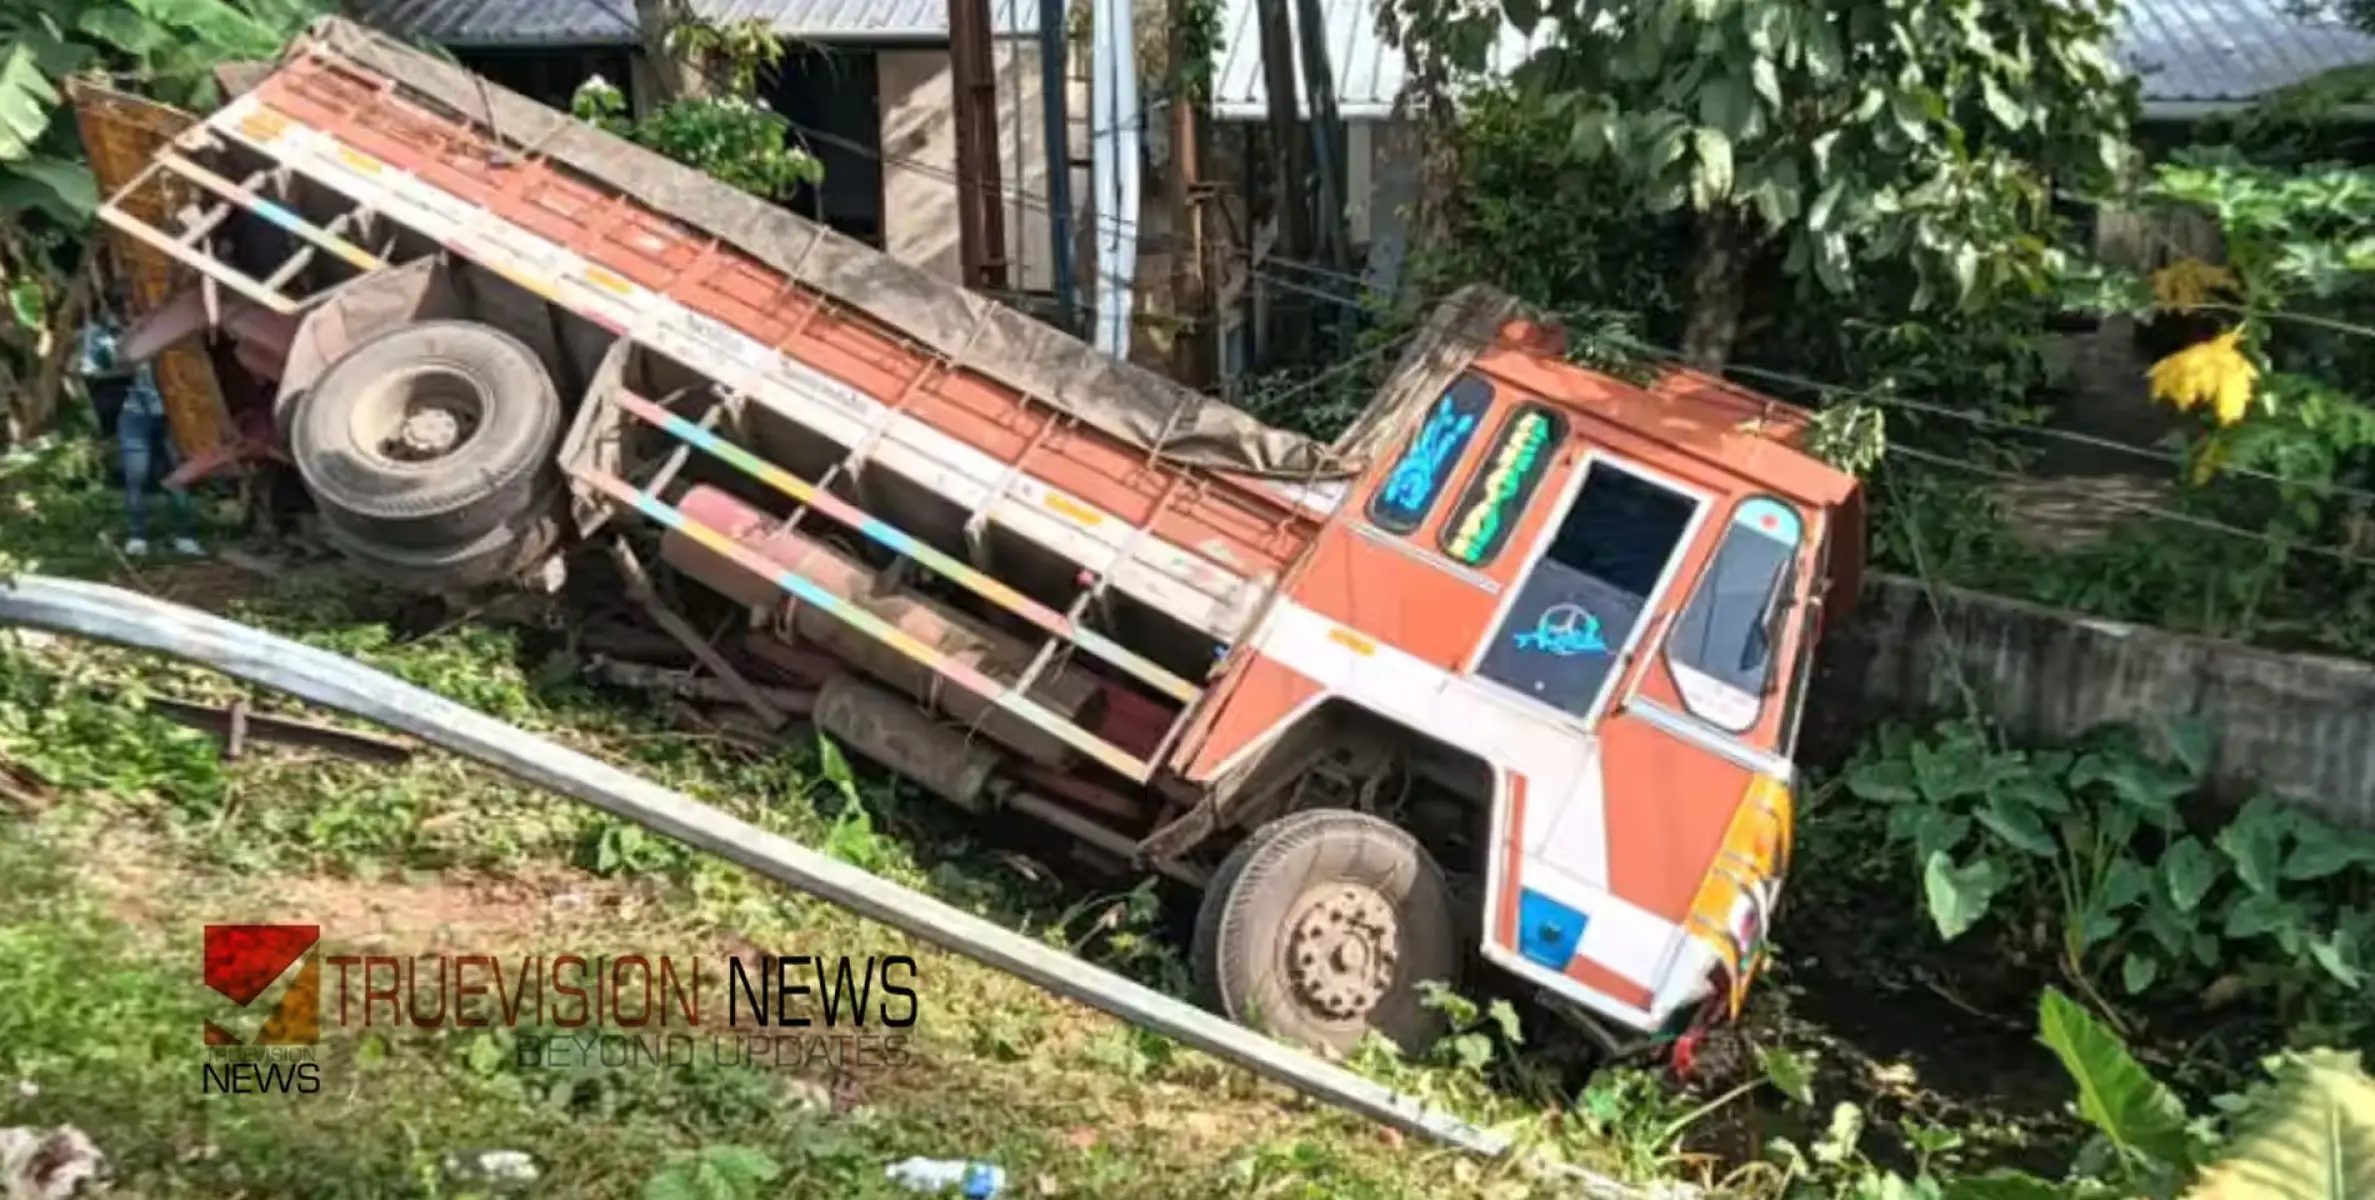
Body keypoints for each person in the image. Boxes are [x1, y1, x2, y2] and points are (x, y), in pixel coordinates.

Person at [76, 291, 202, 558]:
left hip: (172, 412)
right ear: (119, 310)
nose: (133, 313)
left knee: (178, 476)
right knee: (136, 477)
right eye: (128, 309)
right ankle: (138, 536)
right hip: (135, 413)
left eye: (136, 307)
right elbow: (93, 367)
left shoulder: (161, 326)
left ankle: (185, 536)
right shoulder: (105, 333)